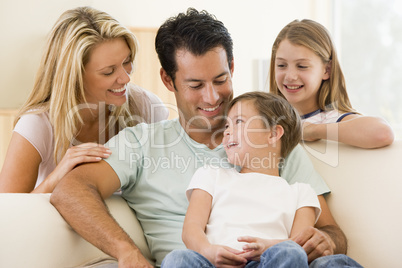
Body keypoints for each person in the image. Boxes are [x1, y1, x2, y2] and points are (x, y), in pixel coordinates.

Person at [51, 8, 347, 267]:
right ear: (168, 80)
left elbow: (332, 231)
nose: (211, 97)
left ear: (232, 68)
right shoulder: (141, 143)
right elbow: (71, 190)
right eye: (195, 85)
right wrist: (125, 251)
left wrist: (325, 241)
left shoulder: (270, 140)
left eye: (220, 80)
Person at [162, 92, 362, 267]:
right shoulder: (211, 175)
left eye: (239, 122)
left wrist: (267, 247)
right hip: (215, 263)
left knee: (289, 253)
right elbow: (191, 229)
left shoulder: (301, 193)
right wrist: (208, 252)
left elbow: (299, 246)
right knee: (177, 259)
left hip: (268, 262)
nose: (227, 131)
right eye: (226, 126)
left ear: (274, 134)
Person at [0, 6, 168, 193]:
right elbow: (7, 211)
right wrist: (56, 178)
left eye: (127, 61)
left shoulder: (145, 106)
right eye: (109, 71)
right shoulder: (38, 125)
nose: (126, 78)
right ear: (75, 76)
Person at [269, 19, 394, 149]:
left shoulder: (331, 120)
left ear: (327, 70)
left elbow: (383, 133)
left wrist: (311, 131)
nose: (290, 76)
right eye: (281, 65)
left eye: (302, 66)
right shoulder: (266, 119)